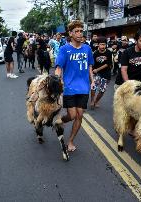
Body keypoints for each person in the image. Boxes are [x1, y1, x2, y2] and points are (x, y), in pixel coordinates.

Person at [55, 20, 95, 152]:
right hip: (69, 88)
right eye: (76, 31)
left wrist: (92, 80)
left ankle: (70, 141)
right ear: (70, 34)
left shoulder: (87, 48)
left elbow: (89, 65)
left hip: (84, 87)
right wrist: (57, 80)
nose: (79, 33)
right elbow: (59, 67)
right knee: (71, 115)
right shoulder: (64, 49)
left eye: (81, 31)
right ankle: (59, 120)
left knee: (80, 115)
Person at [90, 36, 112, 109]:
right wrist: (93, 72)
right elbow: (93, 64)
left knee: (102, 90)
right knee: (93, 87)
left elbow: (107, 64)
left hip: (106, 74)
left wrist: (97, 69)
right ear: (98, 45)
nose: (103, 46)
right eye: (101, 44)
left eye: (104, 44)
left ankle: (96, 101)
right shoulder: (95, 53)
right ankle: (92, 100)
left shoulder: (109, 52)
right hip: (97, 74)